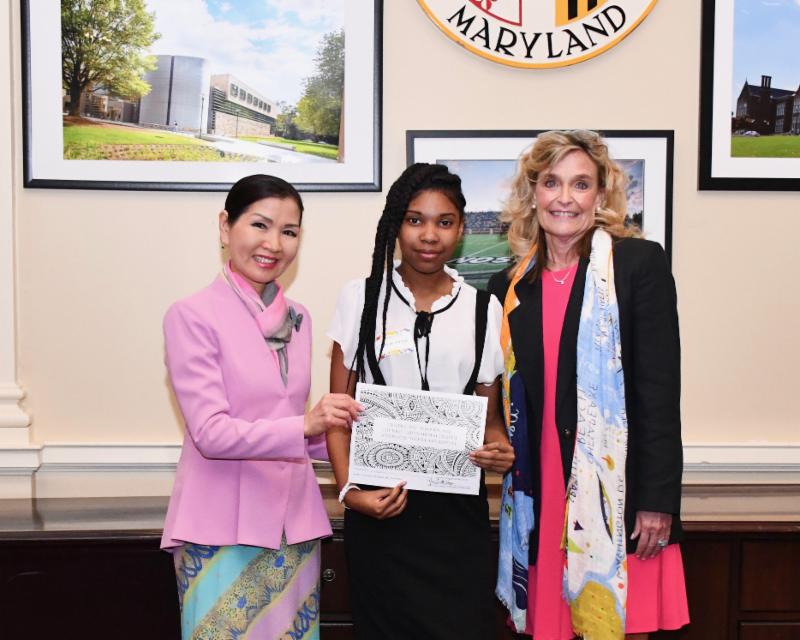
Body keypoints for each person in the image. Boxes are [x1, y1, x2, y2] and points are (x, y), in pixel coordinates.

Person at [489, 130, 690, 640]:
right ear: (532, 192)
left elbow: (660, 394)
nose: (564, 197)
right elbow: (501, 394)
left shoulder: (638, 266)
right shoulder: (510, 286)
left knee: (621, 628)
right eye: (551, 182)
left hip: (618, 497)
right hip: (542, 493)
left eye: (580, 184)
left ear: (599, 197)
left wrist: (657, 500)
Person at [161, 174, 361, 640]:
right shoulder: (191, 316)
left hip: (294, 526)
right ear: (225, 226)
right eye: (260, 225)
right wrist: (308, 423)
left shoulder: (301, 319)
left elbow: (296, 429)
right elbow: (210, 433)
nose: (275, 243)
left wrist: (360, 436)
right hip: (220, 531)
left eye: (289, 232)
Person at [326, 163, 515, 639]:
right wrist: (351, 493)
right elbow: (337, 412)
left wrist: (500, 449)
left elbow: (490, 420)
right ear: (395, 225)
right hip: (380, 512)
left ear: (461, 230)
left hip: (457, 522)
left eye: (444, 222)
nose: (429, 235)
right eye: (415, 220)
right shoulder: (361, 298)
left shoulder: (482, 310)